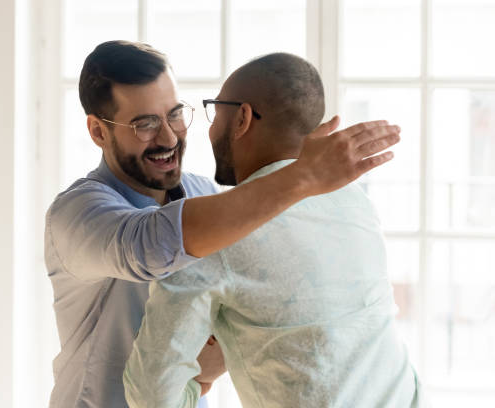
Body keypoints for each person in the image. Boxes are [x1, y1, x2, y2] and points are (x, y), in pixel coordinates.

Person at [45, 41, 400, 408]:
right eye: (145, 124)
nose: (168, 137)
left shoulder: (206, 194)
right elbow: (153, 245)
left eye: (175, 114)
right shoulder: (76, 214)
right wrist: (302, 176)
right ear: (98, 132)